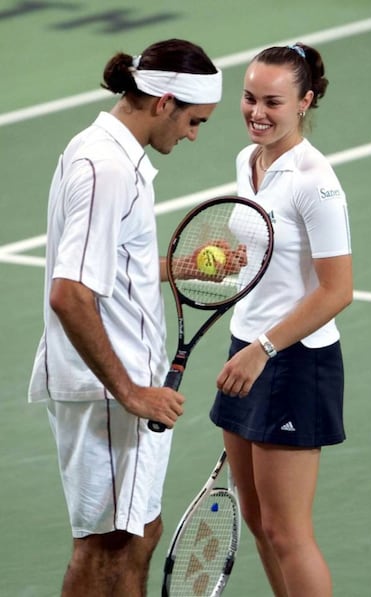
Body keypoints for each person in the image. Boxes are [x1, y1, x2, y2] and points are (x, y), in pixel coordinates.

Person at [28, 39, 222, 597]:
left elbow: (110, 264)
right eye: (193, 121)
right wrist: (132, 392)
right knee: (106, 551)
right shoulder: (106, 168)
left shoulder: (103, 152)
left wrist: (181, 268)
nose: (192, 135)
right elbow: (70, 293)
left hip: (114, 386)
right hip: (109, 393)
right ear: (163, 102)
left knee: (137, 535)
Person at [210, 42, 353, 597]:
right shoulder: (248, 162)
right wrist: (230, 261)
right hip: (245, 346)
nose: (257, 113)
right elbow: (260, 250)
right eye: (249, 99)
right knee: (257, 521)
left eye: (273, 101)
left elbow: (337, 290)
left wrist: (262, 347)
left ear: (305, 101)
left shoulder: (315, 181)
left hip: (293, 360)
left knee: (288, 531)